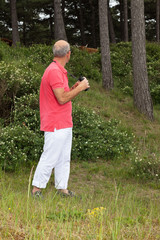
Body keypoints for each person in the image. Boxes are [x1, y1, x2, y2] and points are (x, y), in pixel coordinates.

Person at [32, 40, 90, 198]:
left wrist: (74, 88)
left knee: (64, 158)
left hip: (64, 122)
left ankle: (62, 188)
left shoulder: (58, 70)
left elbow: (63, 95)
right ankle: (37, 189)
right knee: (50, 156)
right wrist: (81, 87)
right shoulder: (54, 71)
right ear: (68, 54)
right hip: (55, 123)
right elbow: (62, 99)